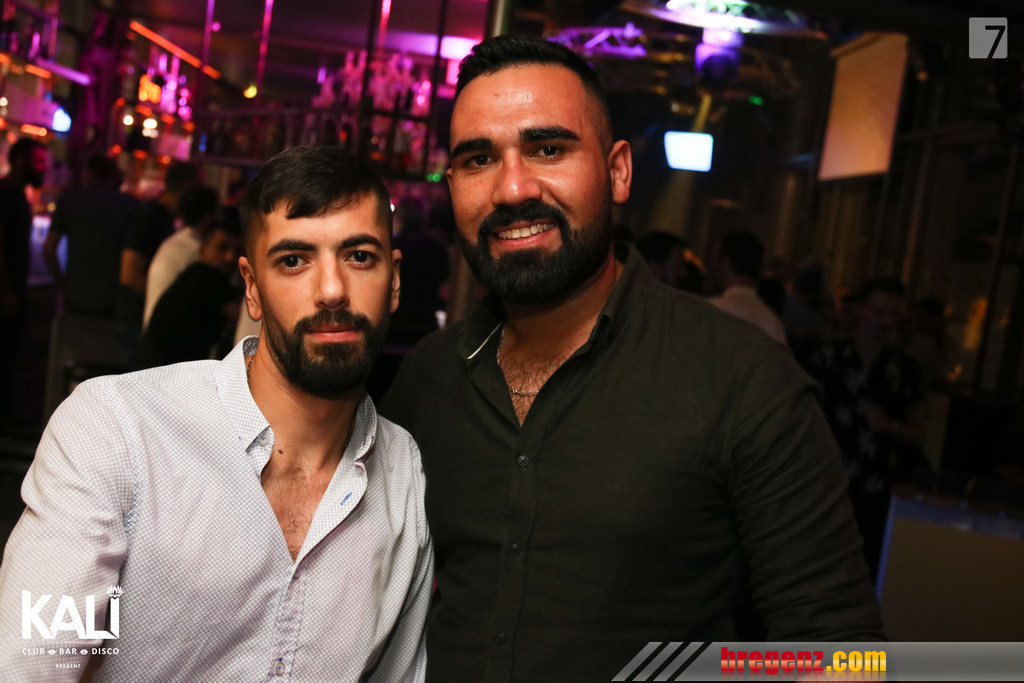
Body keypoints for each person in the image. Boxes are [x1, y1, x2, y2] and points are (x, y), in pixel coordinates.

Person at [381, 35, 883, 683]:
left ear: (617, 172)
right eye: (479, 159)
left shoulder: (743, 380)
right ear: (452, 187)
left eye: (548, 149)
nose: (512, 188)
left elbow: (838, 649)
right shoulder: (426, 378)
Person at [0, 146, 432, 681]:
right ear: (252, 287)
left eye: (359, 256)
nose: (331, 291)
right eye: (293, 260)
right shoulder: (118, 429)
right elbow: (31, 664)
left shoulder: (404, 475)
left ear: (394, 281)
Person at [807, 276, 927, 582]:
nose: (885, 322)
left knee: (865, 575)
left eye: (892, 314)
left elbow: (921, 434)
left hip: (876, 496)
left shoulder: (905, 370)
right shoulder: (828, 358)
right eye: (878, 311)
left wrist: (889, 425)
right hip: (826, 489)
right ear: (861, 310)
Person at [43, 153, 140, 317]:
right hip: (115, 297)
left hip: (77, 293)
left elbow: (49, 249)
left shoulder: (70, 201)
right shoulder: (132, 206)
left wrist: (61, 281)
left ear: (90, 172)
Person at [138, 219, 241, 368]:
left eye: (238, 251)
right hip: (167, 371)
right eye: (222, 248)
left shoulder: (194, 274)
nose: (230, 257)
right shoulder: (207, 277)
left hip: (155, 367)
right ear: (202, 250)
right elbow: (245, 317)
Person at [115, 160, 199, 328]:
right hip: (134, 320)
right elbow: (129, 275)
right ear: (187, 188)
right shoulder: (150, 218)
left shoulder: (162, 218)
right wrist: (165, 301)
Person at [0, 138, 47, 422]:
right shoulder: (6, 193)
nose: (43, 168)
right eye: (38, 161)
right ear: (20, 161)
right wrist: (7, 292)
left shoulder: (16, 193)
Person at [141, 184, 220, 329]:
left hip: (154, 330)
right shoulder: (195, 250)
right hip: (169, 334)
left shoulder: (173, 242)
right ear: (208, 217)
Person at [707, 231, 786, 343]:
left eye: (714, 260)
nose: (711, 267)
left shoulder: (713, 309)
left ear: (726, 262)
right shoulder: (772, 321)